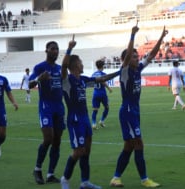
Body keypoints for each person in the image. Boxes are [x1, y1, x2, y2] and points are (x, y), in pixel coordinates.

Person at [109, 23, 167, 188]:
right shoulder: (125, 71)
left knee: (129, 146)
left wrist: (162, 38)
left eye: (136, 56)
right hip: (127, 111)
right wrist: (133, 35)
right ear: (126, 59)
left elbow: (152, 55)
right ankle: (144, 179)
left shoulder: (137, 69)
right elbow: (127, 58)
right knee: (139, 143)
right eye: (134, 56)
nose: (137, 58)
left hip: (134, 110)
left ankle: (116, 178)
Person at [60, 35, 120, 189]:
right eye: (80, 62)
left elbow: (103, 78)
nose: (82, 64)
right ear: (74, 65)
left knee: (86, 151)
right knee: (78, 151)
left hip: (85, 119)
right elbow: (63, 66)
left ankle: (85, 182)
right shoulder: (67, 80)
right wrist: (70, 48)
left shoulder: (83, 79)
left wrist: (120, 71)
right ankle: (65, 179)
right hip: (74, 120)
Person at [29, 41, 65, 184]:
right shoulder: (39, 67)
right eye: (52, 49)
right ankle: (37, 169)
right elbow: (30, 84)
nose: (55, 51)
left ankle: (50, 174)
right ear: (46, 51)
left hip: (59, 107)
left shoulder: (60, 68)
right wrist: (38, 79)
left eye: (57, 49)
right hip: (46, 106)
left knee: (57, 141)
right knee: (48, 138)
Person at [91, 58, 113, 130]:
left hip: (95, 93)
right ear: (102, 66)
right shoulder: (103, 74)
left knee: (95, 110)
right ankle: (102, 121)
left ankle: (94, 123)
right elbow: (103, 82)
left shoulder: (93, 74)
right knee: (107, 107)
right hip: (102, 93)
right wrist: (109, 88)